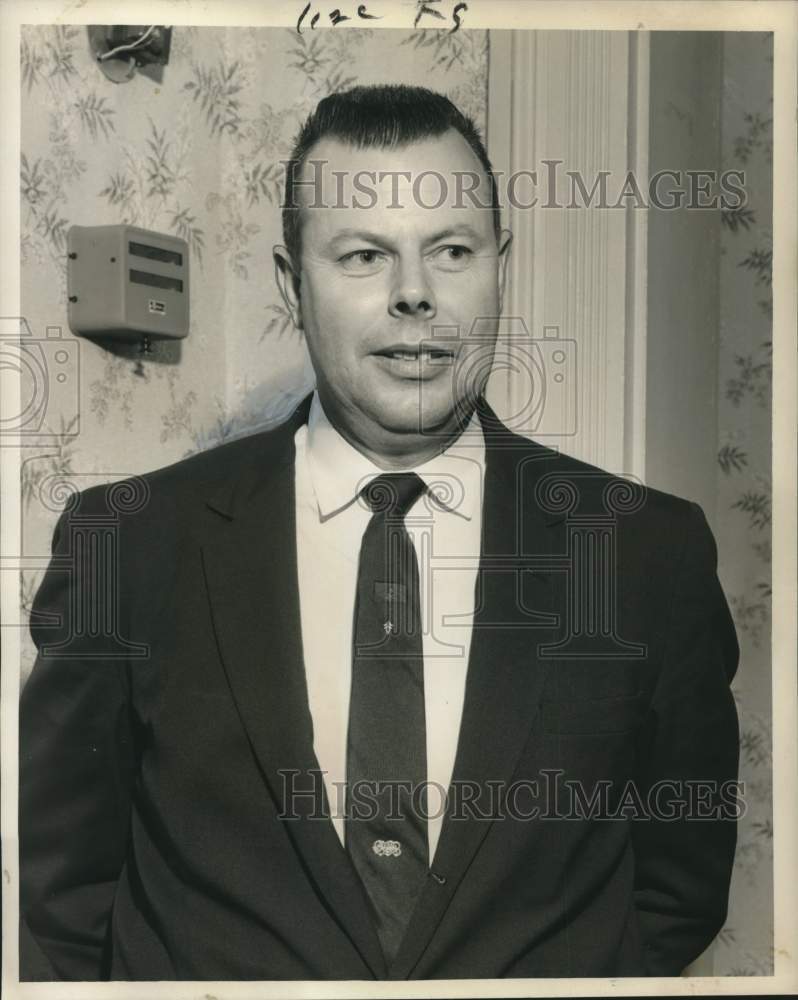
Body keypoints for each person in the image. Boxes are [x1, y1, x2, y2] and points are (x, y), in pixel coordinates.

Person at [19, 84, 740, 982]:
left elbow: (680, 887)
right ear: (293, 282)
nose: (415, 295)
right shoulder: (127, 545)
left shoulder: (647, 553)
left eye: (452, 251)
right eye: (364, 255)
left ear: (499, 267)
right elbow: (66, 899)